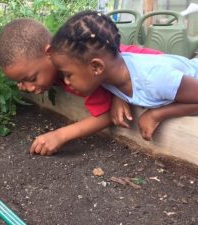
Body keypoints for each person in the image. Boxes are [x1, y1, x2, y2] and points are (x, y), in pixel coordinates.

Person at [0, 18, 162, 156]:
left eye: (31, 79)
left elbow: (106, 115)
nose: (27, 88)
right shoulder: (65, 69)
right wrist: (119, 95)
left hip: (161, 73)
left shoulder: (82, 72)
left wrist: (60, 135)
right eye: (19, 82)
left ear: (49, 53)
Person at [49, 10, 198, 141]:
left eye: (68, 74)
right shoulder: (112, 73)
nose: (66, 81)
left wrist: (156, 114)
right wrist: (118, 97)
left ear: (96, 67)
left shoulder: (154, 78)